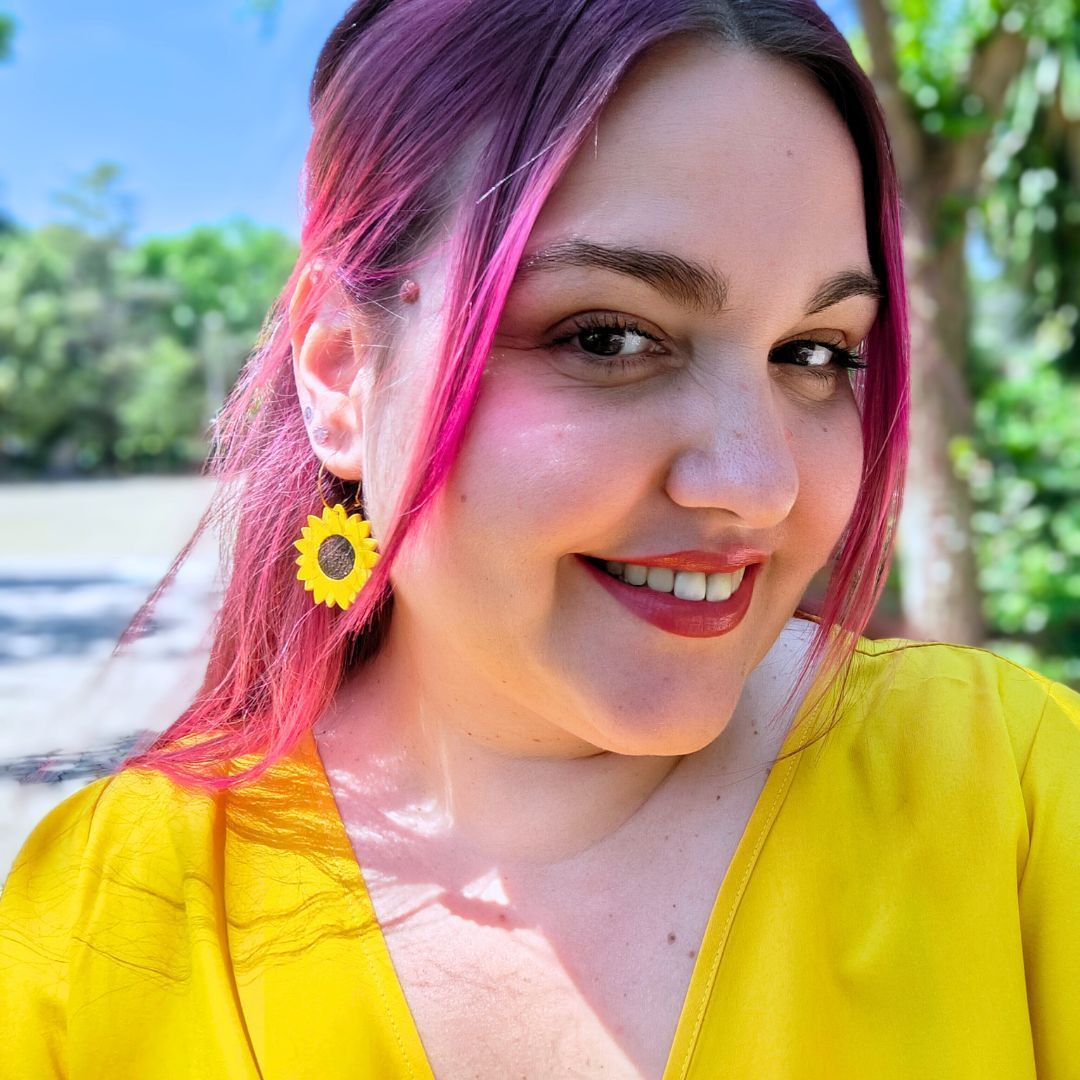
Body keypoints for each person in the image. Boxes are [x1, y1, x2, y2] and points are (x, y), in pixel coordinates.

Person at [2, 1, 1078, 1077]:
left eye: (815, 353)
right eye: (608, 338)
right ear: (340, 371)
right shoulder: (100, 933)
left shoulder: (1019, 801)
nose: (758, 486)